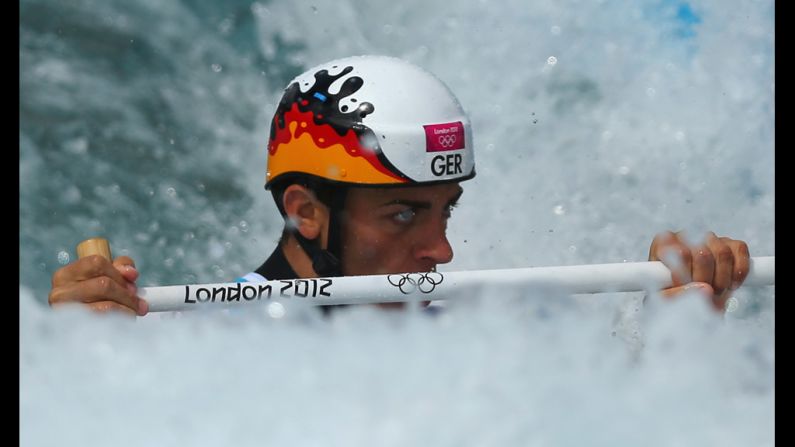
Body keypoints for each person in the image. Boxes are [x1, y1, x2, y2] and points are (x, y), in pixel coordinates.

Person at [47, 55, 751, 317]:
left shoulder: (476, 334)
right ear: (305, 212)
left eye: (445, 212)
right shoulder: (187, 343)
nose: (440, 249)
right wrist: (84, 353)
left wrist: (681, 322)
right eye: (405, 214)